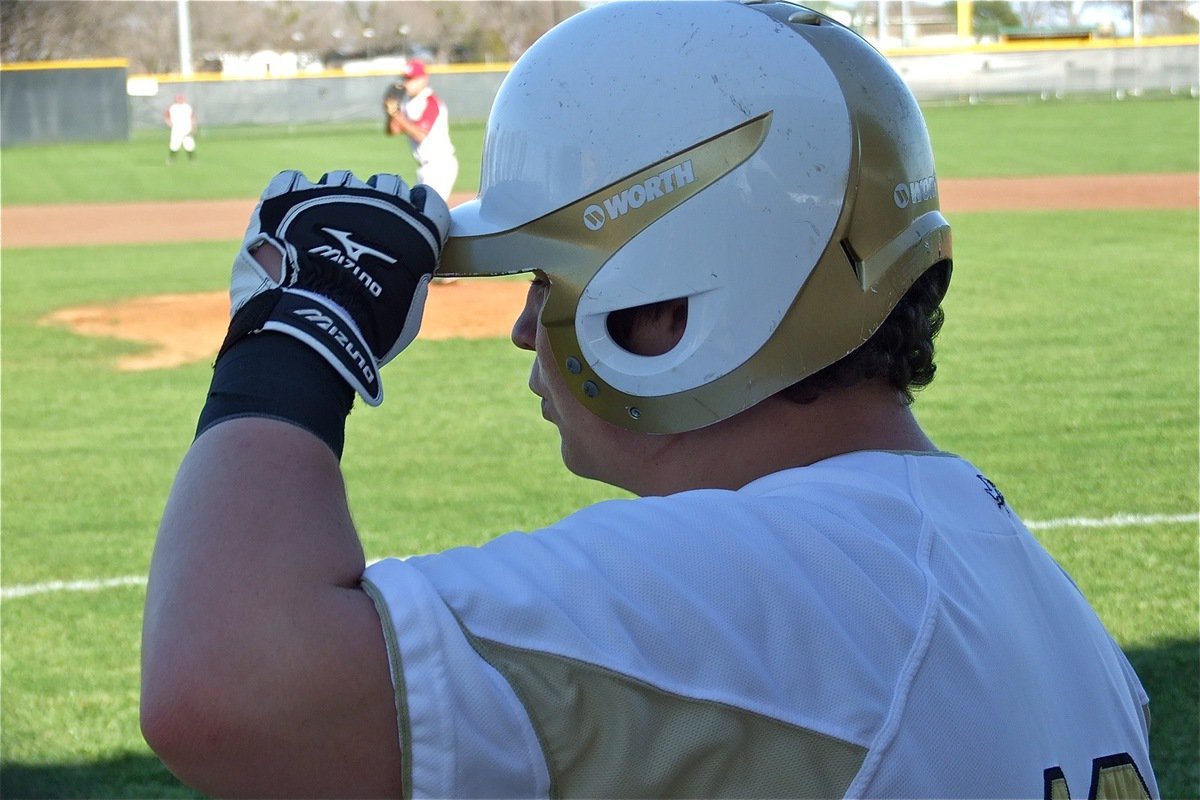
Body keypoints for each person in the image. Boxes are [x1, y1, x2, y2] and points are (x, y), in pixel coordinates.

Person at [140, 3, 1160, 798]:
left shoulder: (791, 581)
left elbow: (227, 685)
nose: (524, 328)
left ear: (672, 304)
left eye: (548, 279)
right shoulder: (1025, 590)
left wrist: (295, 337)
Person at [383, 59, 458, 202]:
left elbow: (420, 135)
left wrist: (397, 114)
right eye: (405, 78)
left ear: (424, 79)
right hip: (425, 167)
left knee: (429, 213)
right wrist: (391, 113)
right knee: (421, 212)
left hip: (440, 166)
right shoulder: (406, 102)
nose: (407, 83)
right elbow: (393, 131)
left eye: (411, 79)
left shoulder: (430, 102)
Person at [163, 93, 196, 164]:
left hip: (187, 129)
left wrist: (193, 127)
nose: (180, 100)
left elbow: (192, 118)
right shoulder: (173, 107)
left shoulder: (187, 107)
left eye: (181, 99)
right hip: (177, 129)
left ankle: (192, 160)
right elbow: (166, 117)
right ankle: (171, 159)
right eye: (179, 99)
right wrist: (170, 125)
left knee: (189, 144)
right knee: (174, 144)